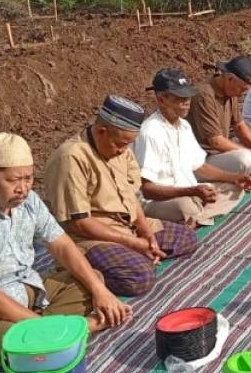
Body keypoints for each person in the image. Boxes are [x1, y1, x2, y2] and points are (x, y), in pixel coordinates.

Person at [0, 133, 133, 363]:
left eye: (28, 178)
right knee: (11, 344)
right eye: (13, 180)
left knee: (90, 279)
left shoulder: (29, 201)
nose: (23, 188)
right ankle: (73, 328)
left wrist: (100, 291)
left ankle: (45, 331)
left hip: (22, 290)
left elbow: (63, 245)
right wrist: (44, 327)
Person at [43, 95, 197, 297]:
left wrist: (147, 235)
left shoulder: (121, 149)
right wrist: (132, 243)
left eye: (127, 145)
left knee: (186, 238)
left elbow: (132, 199)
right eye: (120, 144)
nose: (123, 151)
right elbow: (79, 224)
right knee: (140, 276)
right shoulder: (71, 157)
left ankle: (131, 256)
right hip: (90, 238)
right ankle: (87, 270)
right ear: (101, 131)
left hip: (126, 226)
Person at [134, 68, 251, 228]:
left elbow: (200, 167)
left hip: (190, 193)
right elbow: (148, 190)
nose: (187, 102)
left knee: (235, 188)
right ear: (162, 99)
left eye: (188, 97)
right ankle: (196, 215)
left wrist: (234, 178)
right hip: (161, 201)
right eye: (179, 98)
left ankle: (196, 216)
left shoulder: (183, 126)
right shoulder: (150, 132)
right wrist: (191, 192)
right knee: (185, 206)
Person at [188, 55, 251, 177]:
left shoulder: (230, 92)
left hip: (221, 151)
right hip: (204, 159)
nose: (241, 95)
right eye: (241, 89)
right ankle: (248, 170)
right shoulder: (204, 95)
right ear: (229, 79)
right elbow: (215, 142)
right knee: (246, 159)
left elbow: (239, 126)